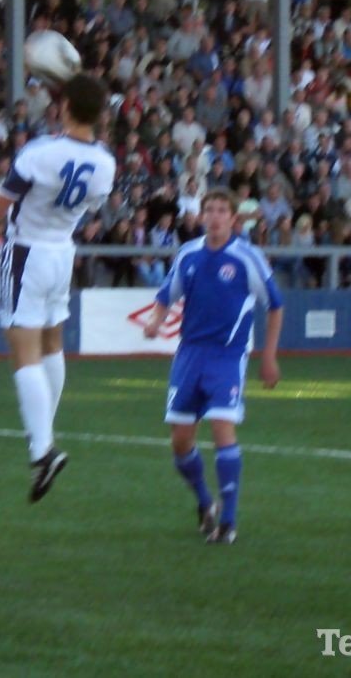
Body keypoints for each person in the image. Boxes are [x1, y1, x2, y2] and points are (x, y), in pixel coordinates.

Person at [0, 74, 116, 502]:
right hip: (63, 252)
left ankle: (42, 449)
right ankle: (44, 433)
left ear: (65, 107)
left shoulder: (40, 152)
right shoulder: (106, 163)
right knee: (52, 343)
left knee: (24, 351)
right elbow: (92, 206)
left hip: (26, 252)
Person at [143, 188, 284, 545]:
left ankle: (229, 522)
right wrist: (156, 321)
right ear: (202, 215)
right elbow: (167, 294)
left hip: (227, 356)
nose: (215, 216)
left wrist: (268, 356)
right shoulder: (188, 253)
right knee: (180, 442)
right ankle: (206, 502)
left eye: (222, 210)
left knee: (222, 429)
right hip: (189, 354)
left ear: (233, 218)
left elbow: (275, 305)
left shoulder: (247, 257)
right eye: (210, 209)